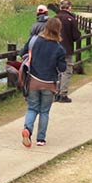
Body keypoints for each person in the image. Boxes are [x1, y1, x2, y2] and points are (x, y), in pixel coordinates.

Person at [21, 17, 67, 148]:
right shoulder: (59, 49)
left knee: (32, 108)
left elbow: (22, 53)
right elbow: (62, 68)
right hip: (49, 83)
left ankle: (27, 130)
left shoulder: (34, 41)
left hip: (34, 81)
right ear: (58, 30)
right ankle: (41, 139)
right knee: (44, 111)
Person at [54, 0, 82, 103]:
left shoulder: (54, 19)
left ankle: (56, 93)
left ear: (60, 7)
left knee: (57, 71)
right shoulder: (71, 19)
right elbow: (76, 36)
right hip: (66, 48)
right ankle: (63, 94)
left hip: (55, 48)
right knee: (66, 71)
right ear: (69, 7)